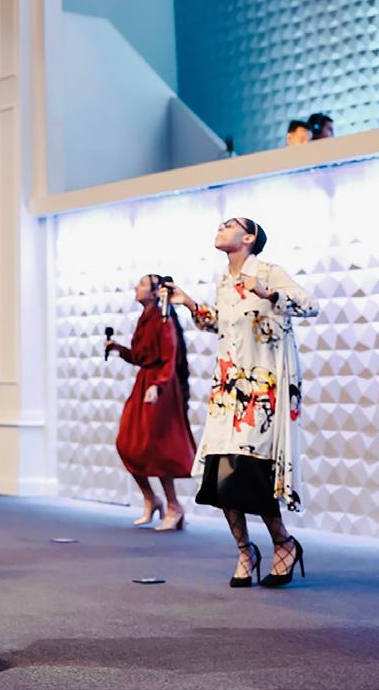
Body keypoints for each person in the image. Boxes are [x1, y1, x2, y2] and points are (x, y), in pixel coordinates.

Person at [162, 218, 318, 588]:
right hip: (227, 391)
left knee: (250, 473)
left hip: (263, 390)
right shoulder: (224, 281)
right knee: (220, 476)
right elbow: (221, 324)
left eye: (229, 225)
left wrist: (267, 293)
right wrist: (189, 303)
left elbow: (310, 306)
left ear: (249, 237)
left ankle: (283, 542)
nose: (220, 228)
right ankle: (245, 551)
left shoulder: (268, 271)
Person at [106, 274, 196, 531]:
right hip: (144, 384)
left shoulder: (164, 319)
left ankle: (173, 506)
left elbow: (169, 356)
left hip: (160, 387)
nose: (136, 287)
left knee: (158, 447)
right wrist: (118, 349)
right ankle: (151, 499)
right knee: (127, 443)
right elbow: (140, 356)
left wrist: (158, 385)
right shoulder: (144, 318)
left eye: (143, 284)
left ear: (156, 292)